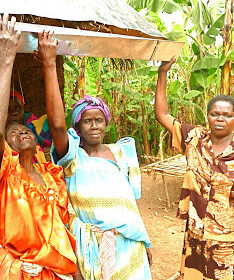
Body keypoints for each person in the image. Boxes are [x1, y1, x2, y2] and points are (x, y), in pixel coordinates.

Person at [35, 28, 152, 280]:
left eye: (99, 120)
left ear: (106, 123)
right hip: (91, 246)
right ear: (77, 126)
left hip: (130, 243)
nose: (95, 125)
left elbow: (130, 201)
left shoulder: (122, 153)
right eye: (87, 121)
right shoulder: (72, 156)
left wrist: (144, 239)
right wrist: (49, 64)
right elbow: (56, 125)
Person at [155, 59, 234, 280]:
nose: (220, 118)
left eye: (227, 115)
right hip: (197, 238)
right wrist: (162, 74)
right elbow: (163, 115)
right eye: (215, 114)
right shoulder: (194, 139)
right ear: (208, 116)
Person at [0, 14, 76, 279]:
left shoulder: (51, 175)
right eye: (14, 132)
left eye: (24, 128)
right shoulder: (3, 175)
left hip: (57, 272)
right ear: (6, 147)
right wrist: (6, 58)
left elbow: (61, 230)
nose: (21, 131)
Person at [0, 90, 52, 268]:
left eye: (18, 108)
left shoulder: (45, 167)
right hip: (10, 233)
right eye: (7, 109)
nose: (13, 112)